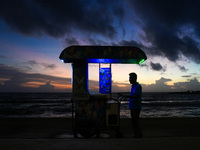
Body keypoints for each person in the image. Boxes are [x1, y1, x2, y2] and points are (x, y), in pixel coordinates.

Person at [119, 72, 143, 138]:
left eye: (130, 78)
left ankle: (138, 134)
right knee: (134, 121)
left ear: (134, 78)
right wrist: (124, 96)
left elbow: (136, 96)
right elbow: (132, 95)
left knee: (135, 121)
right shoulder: (132, 86)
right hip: (132, 106)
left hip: (136, 106)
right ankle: (137, 134)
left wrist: (126, 96)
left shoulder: (138, 86)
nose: (129, 80)